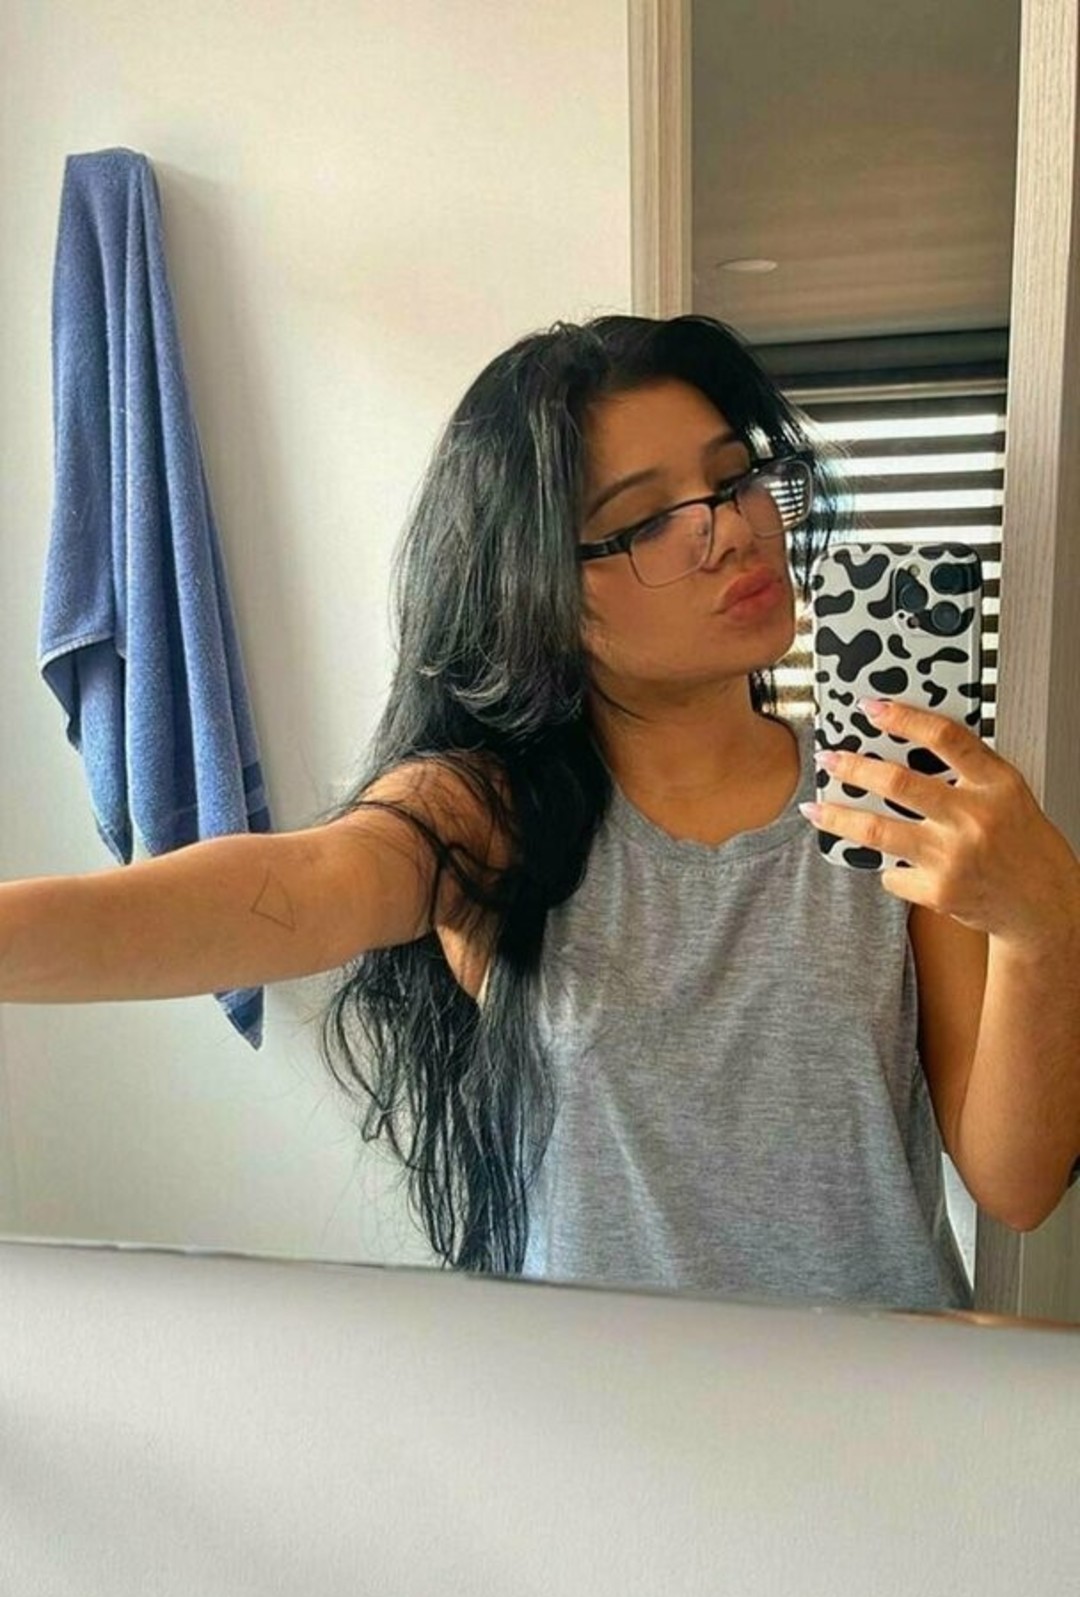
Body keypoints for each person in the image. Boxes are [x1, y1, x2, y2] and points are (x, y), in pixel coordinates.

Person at [8, 314, 1075, 1303]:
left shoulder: (887, 795)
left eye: (734, 478)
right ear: (540, 590)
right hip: (601, 1412)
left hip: (884, 1410)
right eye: (646, 521)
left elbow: (1016, 1185)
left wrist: (1045, 924)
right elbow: (302, 883)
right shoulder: (490, 816)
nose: (731, 530)